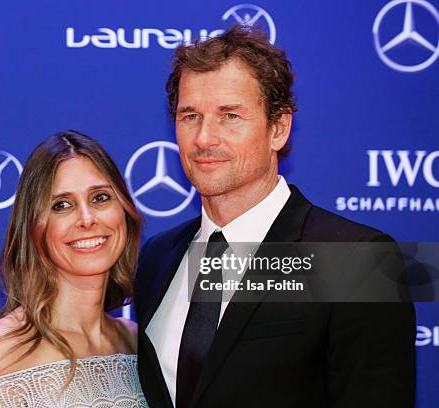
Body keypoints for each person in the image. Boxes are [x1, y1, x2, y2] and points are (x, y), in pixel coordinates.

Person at [135, 26, 416, 408]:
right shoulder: (157, 258)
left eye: (229, 115)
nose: (203, 138)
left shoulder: (356, 259)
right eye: (190, 116)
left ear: (278, 128)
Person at [0, 130, 148, 408]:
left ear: (124, 210)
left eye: (100, 198)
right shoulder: (3, 347)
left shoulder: (136, 342)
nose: (87, 219)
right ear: (35, 227)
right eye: (62, 205)